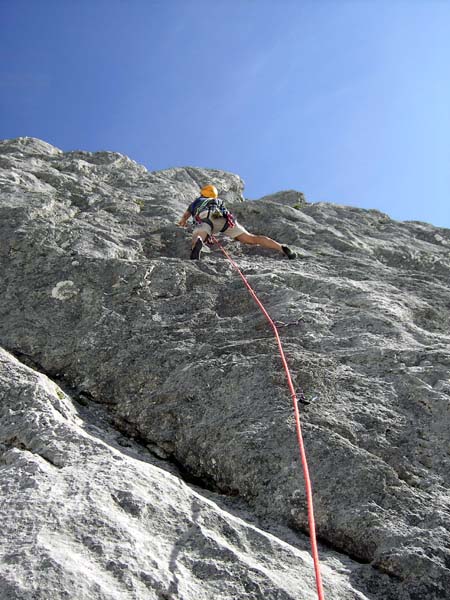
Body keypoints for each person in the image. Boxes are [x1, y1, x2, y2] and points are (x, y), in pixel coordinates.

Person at [178, 184, 297, 260]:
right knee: (251, 238)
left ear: (203, 193)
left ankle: (198, 243)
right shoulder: (218, 201)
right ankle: (281, 247)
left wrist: (182, 222)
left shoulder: (198, 201)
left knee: (199, 235)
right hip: (223, 218)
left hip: (205, 217)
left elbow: (186, 215)